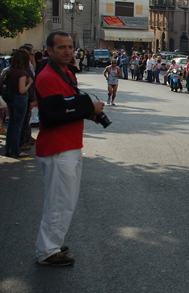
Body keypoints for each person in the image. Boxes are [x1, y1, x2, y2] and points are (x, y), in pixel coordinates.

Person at [34, 31, 104, 267]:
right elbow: (55, 113)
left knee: (66, 199)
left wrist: (89, 113)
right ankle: (47, 250)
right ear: (49, 50)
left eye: (69, 46)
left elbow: (68, 106)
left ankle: (52, 242)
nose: (67, 51)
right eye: (61, 47)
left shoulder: (63, 73)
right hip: (58, 148)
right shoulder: (47, 77)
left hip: (68, 146)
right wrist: (88, 106)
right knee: (59, 201)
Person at [3, 49, 33, 158]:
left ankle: (9, 149)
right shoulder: (22, 72)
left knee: (12, 124)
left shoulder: (10, 70)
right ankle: (16, 150)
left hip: (10, 98)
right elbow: (22, 90)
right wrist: (29, 84)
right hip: (20, 98)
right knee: (17, 125)